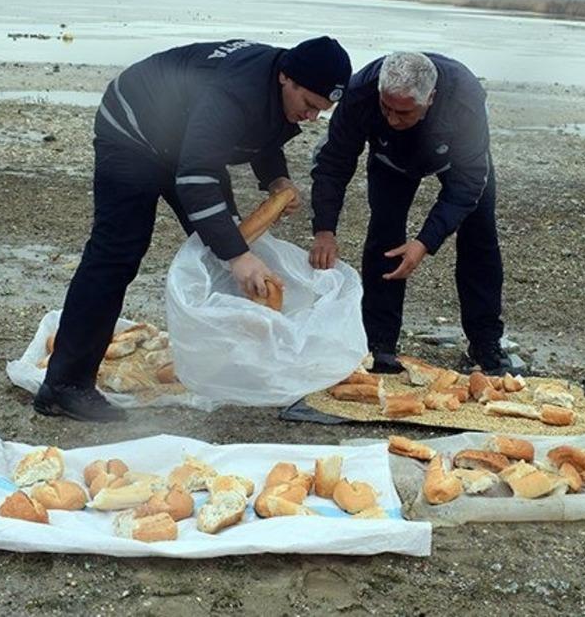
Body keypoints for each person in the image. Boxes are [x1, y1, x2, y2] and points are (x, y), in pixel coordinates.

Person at [36, 36, 352, 421]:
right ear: (287, 79)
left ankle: (237, 364)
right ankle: (64, 385)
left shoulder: (277, 84)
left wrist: (276, 180)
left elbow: (262, 130)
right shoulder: (235, 92)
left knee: (232, 238)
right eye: (310, 105)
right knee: (117, 253)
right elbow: (197, 176)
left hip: (186, 138)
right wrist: (237, 256)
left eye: (323, 110)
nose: (313, 117)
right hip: (133, 129)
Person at [309, 50, 513, 375]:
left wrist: (424, 242)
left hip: (456, 159)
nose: (392, 119)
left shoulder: (464, 98)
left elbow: (468, 182)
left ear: (430, 98)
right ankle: (380, 345)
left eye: (404, 112)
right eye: (386, 108)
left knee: (480, 238)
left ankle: (485, 343)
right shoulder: (361, 91)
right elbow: (334, 162)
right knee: (384, 237)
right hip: (391, 160)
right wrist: (324, 229)